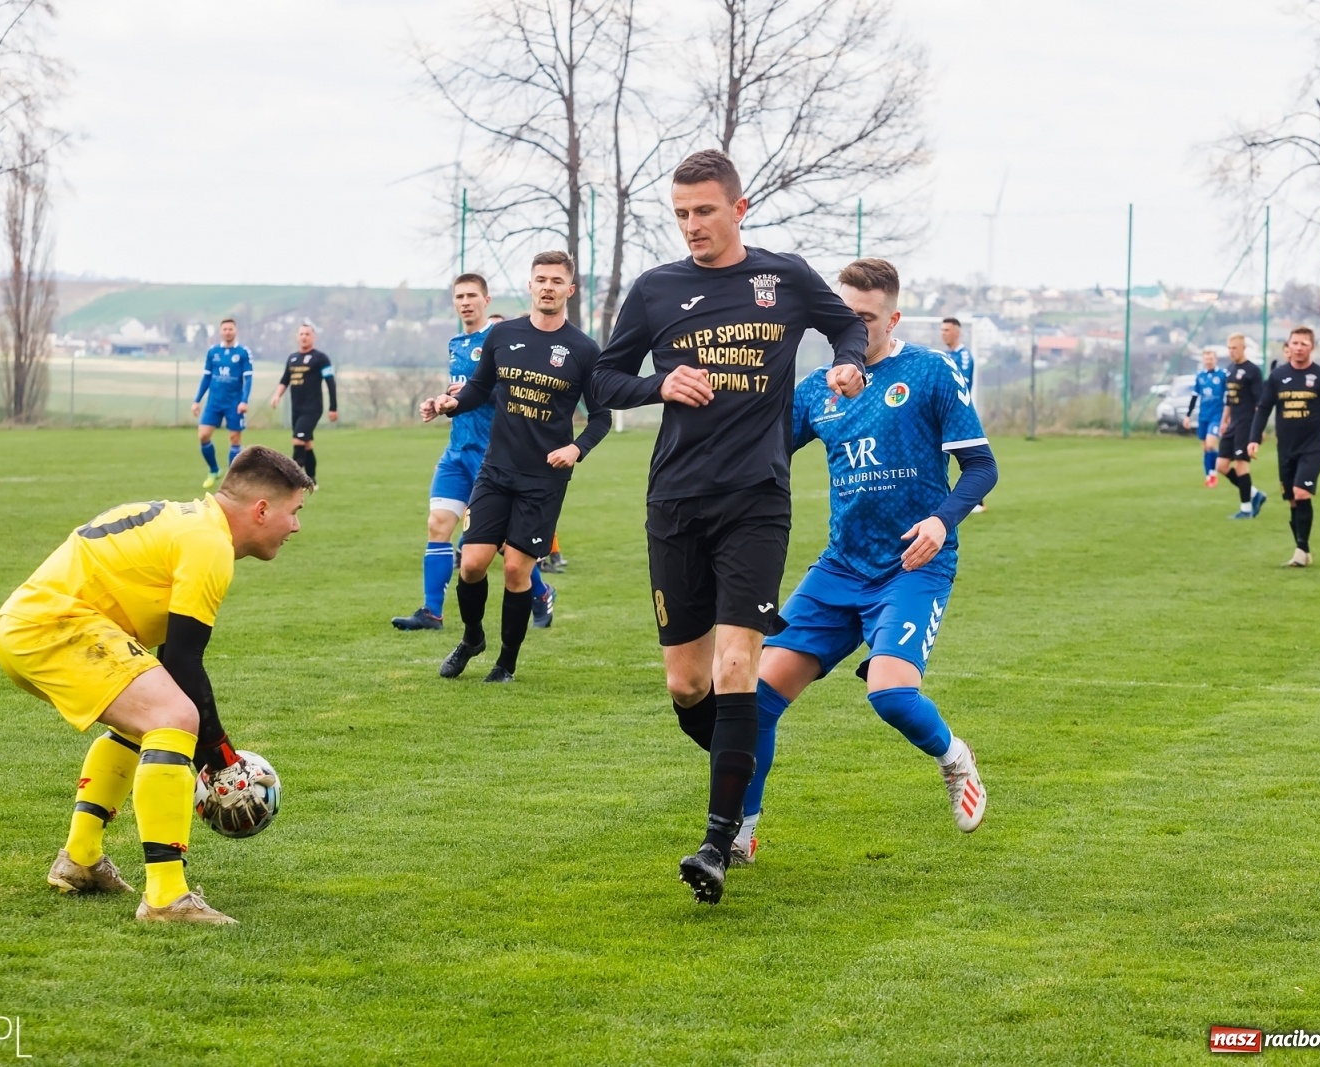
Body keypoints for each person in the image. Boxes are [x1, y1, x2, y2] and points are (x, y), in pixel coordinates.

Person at [588, 149, 867, 904]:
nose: (692, 227)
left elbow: (848, 331)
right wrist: (657, 382)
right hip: (674, 501)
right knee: (688, 683)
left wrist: (847, 366)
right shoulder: (656, 290)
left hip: (756, 498)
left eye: (704, 211)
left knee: (738, 666)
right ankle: (741, 766)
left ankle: (719, 839)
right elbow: (604, 378)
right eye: (680, 214)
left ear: (738, 209)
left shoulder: (785, 278)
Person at [733, 259, 996, 866]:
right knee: (756, 702)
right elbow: (761, 456)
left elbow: (982, 467)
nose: (853, 331)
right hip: (839, 568)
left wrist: (940, 520)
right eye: (842, 320)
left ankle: (955, 756)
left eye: (866, 320)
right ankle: (741, 831)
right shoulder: (818, 390)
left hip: (911, 566)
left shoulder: (928, 372)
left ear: (893, 318)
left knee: (891, 697)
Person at [0, 447, 312, 924]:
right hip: (53, 627)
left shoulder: (188, 522)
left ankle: (80, 858)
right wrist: (221, 757)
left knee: (148, 723)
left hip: (28, 625)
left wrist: (215, 751)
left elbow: (173, 661)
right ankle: (166, 896)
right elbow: (183, 662)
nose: (296, 527)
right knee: (174, 717)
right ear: (261, 510)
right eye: (294, 512)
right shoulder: (209, 545)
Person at [422, 251, 612, 681]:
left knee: (514, 569)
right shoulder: (503, 335)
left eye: (556, 280)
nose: (547, 286)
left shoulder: (583, 349)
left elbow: (602, 417)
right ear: (530, 286)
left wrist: (576, 450)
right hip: (496, 468)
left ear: (570, 289)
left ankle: (506, 661)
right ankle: (472, 638)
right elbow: (479, 387)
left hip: (544, 477)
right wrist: (452, 403)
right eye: (540, 279)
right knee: (471, 563)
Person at [392, 277, 554, 632]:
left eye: (472, 296)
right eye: (459, 296)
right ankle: (432, 612)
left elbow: (512, 394)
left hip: (492, 454)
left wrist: (471, 391)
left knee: (497, 542)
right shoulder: (456, 343)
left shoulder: (503, 341)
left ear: (486, 300)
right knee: (437, 525)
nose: (465, 302)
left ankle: (541, 593)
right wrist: (439, 403)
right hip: (457, 450)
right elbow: (460, 394)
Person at [1248, 326, 1320, 567]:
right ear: (1289, 346)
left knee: (1302, 492)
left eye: (1304, 344)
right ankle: (1304, 549)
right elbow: (1263, 409)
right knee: (1293, 499)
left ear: (1312, 347)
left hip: (1313, 447)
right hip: (1286, 448)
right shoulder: (1277, 377)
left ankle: (1300, 551)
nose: (1299, 348)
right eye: (1295, 343)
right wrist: (1253, 438)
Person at [268, 320, 337, 482]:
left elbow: (331, 383)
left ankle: (293, 482)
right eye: (301, 334)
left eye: (307, 334)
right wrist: (277, 395)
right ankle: (312, 479)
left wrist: (333, 407)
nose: (304, 337)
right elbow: (285, 380)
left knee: (298, 441)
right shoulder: (292, 358)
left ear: (314, 337)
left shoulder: (321, 358)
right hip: (296, 409)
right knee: (306, 444)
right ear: (297, 337)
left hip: (312, 408)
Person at [191, 318, 254, 490]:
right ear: (220, 332)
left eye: (230, 329)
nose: (227, 332)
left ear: (236, 331)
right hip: (214, 402)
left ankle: (232, 479)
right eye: (225, 329)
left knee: (234, 439)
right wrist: (197, 400)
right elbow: (206, 377)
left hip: (234, 403)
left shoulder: (243, 352)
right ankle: (214, 470)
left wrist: (244, 401)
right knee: (203, 435)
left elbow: (248, 378)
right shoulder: (213, 352)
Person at [1215, 333, 1267, 519]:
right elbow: (1229, 399)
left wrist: (1258, 429)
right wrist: (1224, 421)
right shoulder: (1229, 369)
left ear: (1243, 348)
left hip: (1247, 423)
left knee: (1241, 465)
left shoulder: (1253, 371)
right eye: (1229, 348)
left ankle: (1246, 509)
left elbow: (1260, 403)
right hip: (1233, 424)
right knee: (1221, 465)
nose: (1231, 352)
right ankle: (1254, 494)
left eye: (1235, 348)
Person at [941, 317, 985, 511]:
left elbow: (961, 384)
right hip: (943, 415)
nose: (944, 333)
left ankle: (977, 500)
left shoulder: (964, 356)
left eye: (947, 330)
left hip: (960, 415)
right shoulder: (942, 356)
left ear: (957, 332)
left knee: (969, 457)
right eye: (942, 330)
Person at [1184, 349, 1228, 487]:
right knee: (1205, 448)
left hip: (1217, 415)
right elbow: (1194, 397)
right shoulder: (1200, 376)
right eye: (1207, 359)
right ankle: (1209, 475)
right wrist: (1188, 416)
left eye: (1211, 359)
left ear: (1216, 360)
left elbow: (1229, 396)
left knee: (1210, 444)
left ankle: (1214, 473)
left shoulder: (1222, 375)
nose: (1209, 361)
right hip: (1204, 415)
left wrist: (1228, 417)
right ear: (1203, 360)